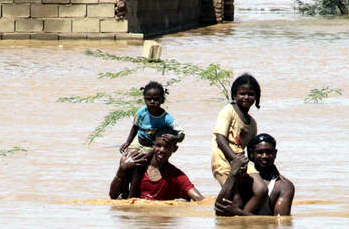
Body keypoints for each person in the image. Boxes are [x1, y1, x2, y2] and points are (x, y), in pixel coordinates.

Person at [211, 73, 267, 213]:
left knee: (261, 189)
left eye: (250, 94)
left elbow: (251, 152)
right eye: (242, 93)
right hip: (223, 159)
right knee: (235, 200)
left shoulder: (252, 124)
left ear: (256, 97)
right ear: (234, 95)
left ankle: (244, 218)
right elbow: (220, 138)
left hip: (242, 162)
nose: (246, 97)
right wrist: (234, 160)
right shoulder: (228, 111)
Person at [118, 81, 185, 198]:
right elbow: (135, 127)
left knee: (138, 164)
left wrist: (175, 138)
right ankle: (124, 191)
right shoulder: (141, 112)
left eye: (156, 99)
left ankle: (132, 195)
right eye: (149, 99)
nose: (152, 102)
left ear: (162, 100)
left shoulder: (166, 118)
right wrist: (127, 142)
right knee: (125, 161)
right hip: (138, 142)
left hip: (150, 146)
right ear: (144, 99)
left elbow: (181, 133)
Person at [110, 127, 203, 201]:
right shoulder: (137, 164)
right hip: (138, 221)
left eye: (167, 147)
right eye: (158, 145)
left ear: (174, 149)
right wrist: (121, 170)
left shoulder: (176, 176)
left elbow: (200, 199)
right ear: (153, 145)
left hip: (160, 222)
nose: (162, 150)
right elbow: (113, 196)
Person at [215, 134, 295, 216]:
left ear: (275, 154)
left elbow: (280, 222)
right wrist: (232, 174)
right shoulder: (241, 175)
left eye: (269, 152)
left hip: (261, 228)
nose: (265, 156)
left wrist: (239, 213)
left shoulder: (284, 186)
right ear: (251, 154)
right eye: (260, 152)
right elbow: (219, 209)